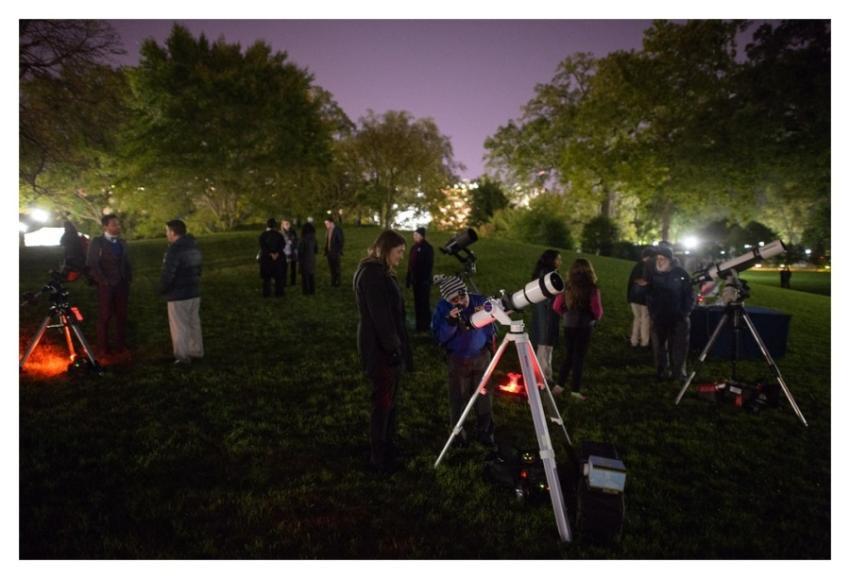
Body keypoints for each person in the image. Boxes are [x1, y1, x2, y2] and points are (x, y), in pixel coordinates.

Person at [353, 230, 412, 474]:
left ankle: (387, 445)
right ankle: (379, 457)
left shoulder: (375, 271)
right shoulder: (373, 274)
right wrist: (393, 347)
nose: (400, 258)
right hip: (380, 349)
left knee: (389, 399)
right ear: (386, 249)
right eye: (398, 252)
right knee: (383, 401)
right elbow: (381, 317)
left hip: (384, 345)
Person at [432, 274, 497, 448]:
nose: (461, 302)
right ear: (448, 301)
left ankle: (485, 430)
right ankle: (458, 433)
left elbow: (492, 325)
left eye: (463, 296)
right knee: (458, 397)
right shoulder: (442, 309)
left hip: (481, 357)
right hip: (458, 359)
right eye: (455, 300)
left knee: (483, 395)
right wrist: (451, 322)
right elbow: (440, 336)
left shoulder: (479, 301)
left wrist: (491, 339)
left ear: (467, 291)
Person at [633, 246, 695, 383]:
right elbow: (644, 295)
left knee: (679, 348)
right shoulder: (652, 274)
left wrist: (684, 313)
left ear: (671, 260)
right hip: (658, 317)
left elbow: (690, 296)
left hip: (678, 318)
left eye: (663, 259)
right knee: (659, 347)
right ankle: (661, 373)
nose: (659, 262)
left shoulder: (681, 274)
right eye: (658, 259)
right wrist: (641, 288)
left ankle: (678, 374)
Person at [552, 258, 603, 400]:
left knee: (568, 355)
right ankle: (575, 391)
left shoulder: (567, 287)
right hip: (584, 326)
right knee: (579, 358)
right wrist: (595, 318)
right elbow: (597, 310)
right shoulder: (592, 288)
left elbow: (556, 306)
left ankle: (559, 386)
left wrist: (565, 314)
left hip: (568, 325)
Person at [86, 214, 132, 359]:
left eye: (118, 224)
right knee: (105, 316)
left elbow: (126, 262)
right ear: (105, 226)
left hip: (122, 285)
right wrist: (103, 281)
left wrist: (128, 278)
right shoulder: (97, 242)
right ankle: (103, 348)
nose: (118, 227)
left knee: (121, 316)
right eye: (114, 224)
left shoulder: (122, 242)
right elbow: (92, 263)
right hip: (106, 285)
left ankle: (120, 346)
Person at [160, 219, 203, 365]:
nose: (166, 234)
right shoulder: (194, 246)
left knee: (179, 326)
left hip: (178, 293)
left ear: (172, 232)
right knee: (193, 323)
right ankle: (196, 350)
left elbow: (169, 273)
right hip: (194, 291)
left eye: (167, 231)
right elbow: (199, 269)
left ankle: (182, 356)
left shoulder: (174, 249)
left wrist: (163, 289)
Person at [529, 249, 562, 384]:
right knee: (545, 345)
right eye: (558, 259)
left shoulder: (543, 274)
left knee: (546, 345)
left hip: (546, 314)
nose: (561, 262)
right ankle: (542, 378)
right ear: (551, 260)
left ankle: (544, 376)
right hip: (547, 315)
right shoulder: (548, 276)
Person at [406, 227, 434, 332]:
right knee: (417, 303)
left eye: (416, 235)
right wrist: (409, 278)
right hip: (415, 281)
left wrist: (425, 279)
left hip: (423, 282)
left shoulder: (428, 248)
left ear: (422, 236)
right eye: (414, 235)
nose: (414, 237)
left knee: (424, 303)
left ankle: (425, 326)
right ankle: (419, 325)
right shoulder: (413, 248)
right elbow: (410, 264)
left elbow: (428, 265)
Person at [627, 247, 656, 348]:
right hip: (644, 297)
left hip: (633, 297)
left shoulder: (637, 266)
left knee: (637, 318)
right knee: (645, 319)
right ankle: (644, 342)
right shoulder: (649, 266)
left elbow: (631, 282)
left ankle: (634, 340)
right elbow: (644, 281)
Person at [258, 218, 286, 297]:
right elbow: (283, 245)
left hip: (266, 258)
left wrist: (270, 253)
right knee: (278, 277)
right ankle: (279, 293)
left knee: (267, 278)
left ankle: (266, 293)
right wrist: (276, 253)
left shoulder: (263, 235)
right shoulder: (279, 235)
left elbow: (262, 246)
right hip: (278, 258)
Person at [297, 221, 318, 295]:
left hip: (304, 260)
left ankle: (306, 291)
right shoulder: (313, 238)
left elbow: (300, 251)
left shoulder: (302, 239)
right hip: (312, 259)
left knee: (305, 276)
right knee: (311, 275)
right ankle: (312, 290)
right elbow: (316, 250)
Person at [324, 217, 344, 287]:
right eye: (325, 224)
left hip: (335, 252)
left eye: (327, 223)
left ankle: (338, 282)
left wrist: (337, 251)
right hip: (329, 252)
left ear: (331, 223)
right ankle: (333, 281)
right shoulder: (328, 230)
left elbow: (341, 241)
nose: (326, 225)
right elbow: (327, 241)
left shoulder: (337, 230)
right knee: (331, 268)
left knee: (337, 268)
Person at [281, 219, 298, 286]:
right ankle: (284, 282)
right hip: (285, 253)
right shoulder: (281, 233)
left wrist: (293, 244)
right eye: (286, 224)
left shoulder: (293, 232)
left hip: (292, 252)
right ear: (282, 225)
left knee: (293, 268)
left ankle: (293, 282)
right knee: (284, 269)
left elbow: (297, 241)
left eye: (289, 224)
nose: (288, 225)